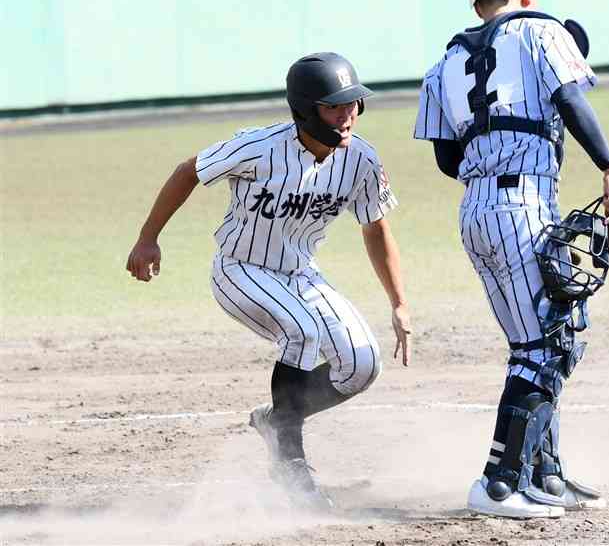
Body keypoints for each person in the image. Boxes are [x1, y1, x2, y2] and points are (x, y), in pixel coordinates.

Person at [127, 52, 411, 509]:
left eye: (353, 104)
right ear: (304, 108)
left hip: (300, 274)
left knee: (361, 366)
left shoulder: (360, 159)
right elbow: (188, 172)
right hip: (239, 269)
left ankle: (274, 418)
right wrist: (147, 239)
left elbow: (376, 226)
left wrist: (398, 302)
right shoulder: (260, 147)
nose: (347, 115)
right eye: (334, 106)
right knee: (302, 331)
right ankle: (290, 463)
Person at [413, 0, 609, 519]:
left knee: (548, 339)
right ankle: (499, 483)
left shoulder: (443, 62)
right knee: (546, 347)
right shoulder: (540, 29)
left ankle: (545, 475)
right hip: (522, 205)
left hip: (477, 210)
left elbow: (444, 158)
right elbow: (574, 100)